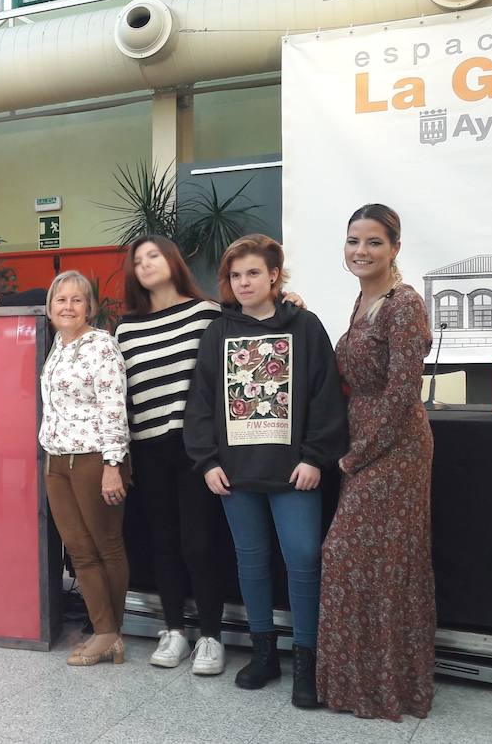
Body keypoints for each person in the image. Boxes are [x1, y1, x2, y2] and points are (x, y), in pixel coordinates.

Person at [184, 234, 347, 708]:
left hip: (295, 472)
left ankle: (307, 662)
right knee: (250, 563)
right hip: (236, 476)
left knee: (303, 561)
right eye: (235, 276)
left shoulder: (305, 326)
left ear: (275, 275)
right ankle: (263, 654)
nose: (243, 282)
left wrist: (315, 456)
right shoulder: (219, 331)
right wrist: (207, 461)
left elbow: (325, 396)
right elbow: (201, 401)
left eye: (253, 273)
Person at [318, 204, 436, 720]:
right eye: (353, 241)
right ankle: (361, 685)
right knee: (370, 565)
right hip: (364, 445)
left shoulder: (403, 304)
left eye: (373, 242)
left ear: (395, 248)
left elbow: (402, 393)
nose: (360, 251)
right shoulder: (363, 300)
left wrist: (356, 457)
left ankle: (389, 686)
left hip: (396, 448)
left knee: (360, 560)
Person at [113, 235, 229, 676]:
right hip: (146, 448)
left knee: (199, 543)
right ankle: (175, 629)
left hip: (195, 449)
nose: (145, 264)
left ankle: (212, 637)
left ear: (173, 261)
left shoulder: (206, 314)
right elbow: (122, 396)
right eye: (138, 260)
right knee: (162, 542)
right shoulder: (125, 328)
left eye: (154, 255)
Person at [38, 270, 132, 667]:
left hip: (95, 459)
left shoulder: (102, 346)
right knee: (78, 550)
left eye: (77, 300)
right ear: (50, 307)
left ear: (89, 306)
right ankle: (103, 629)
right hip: (57, 460)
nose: (68, 307)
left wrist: (113, 464)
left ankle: (110, 632)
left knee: (105, 546)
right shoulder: (57, 346)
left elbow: (114, 407)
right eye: (61, 300)